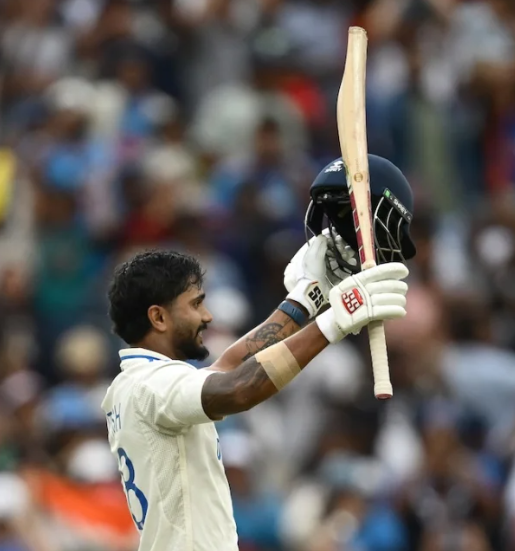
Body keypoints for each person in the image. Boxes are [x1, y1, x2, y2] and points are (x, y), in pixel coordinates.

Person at [102, 154, 417, 551]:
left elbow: (230, 365)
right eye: (196, 304)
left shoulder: (142, 383)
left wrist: (307, 298)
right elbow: (239, 389)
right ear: (158, 317)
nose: (208, 315)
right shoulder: (151, 386)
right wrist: (336, 320)